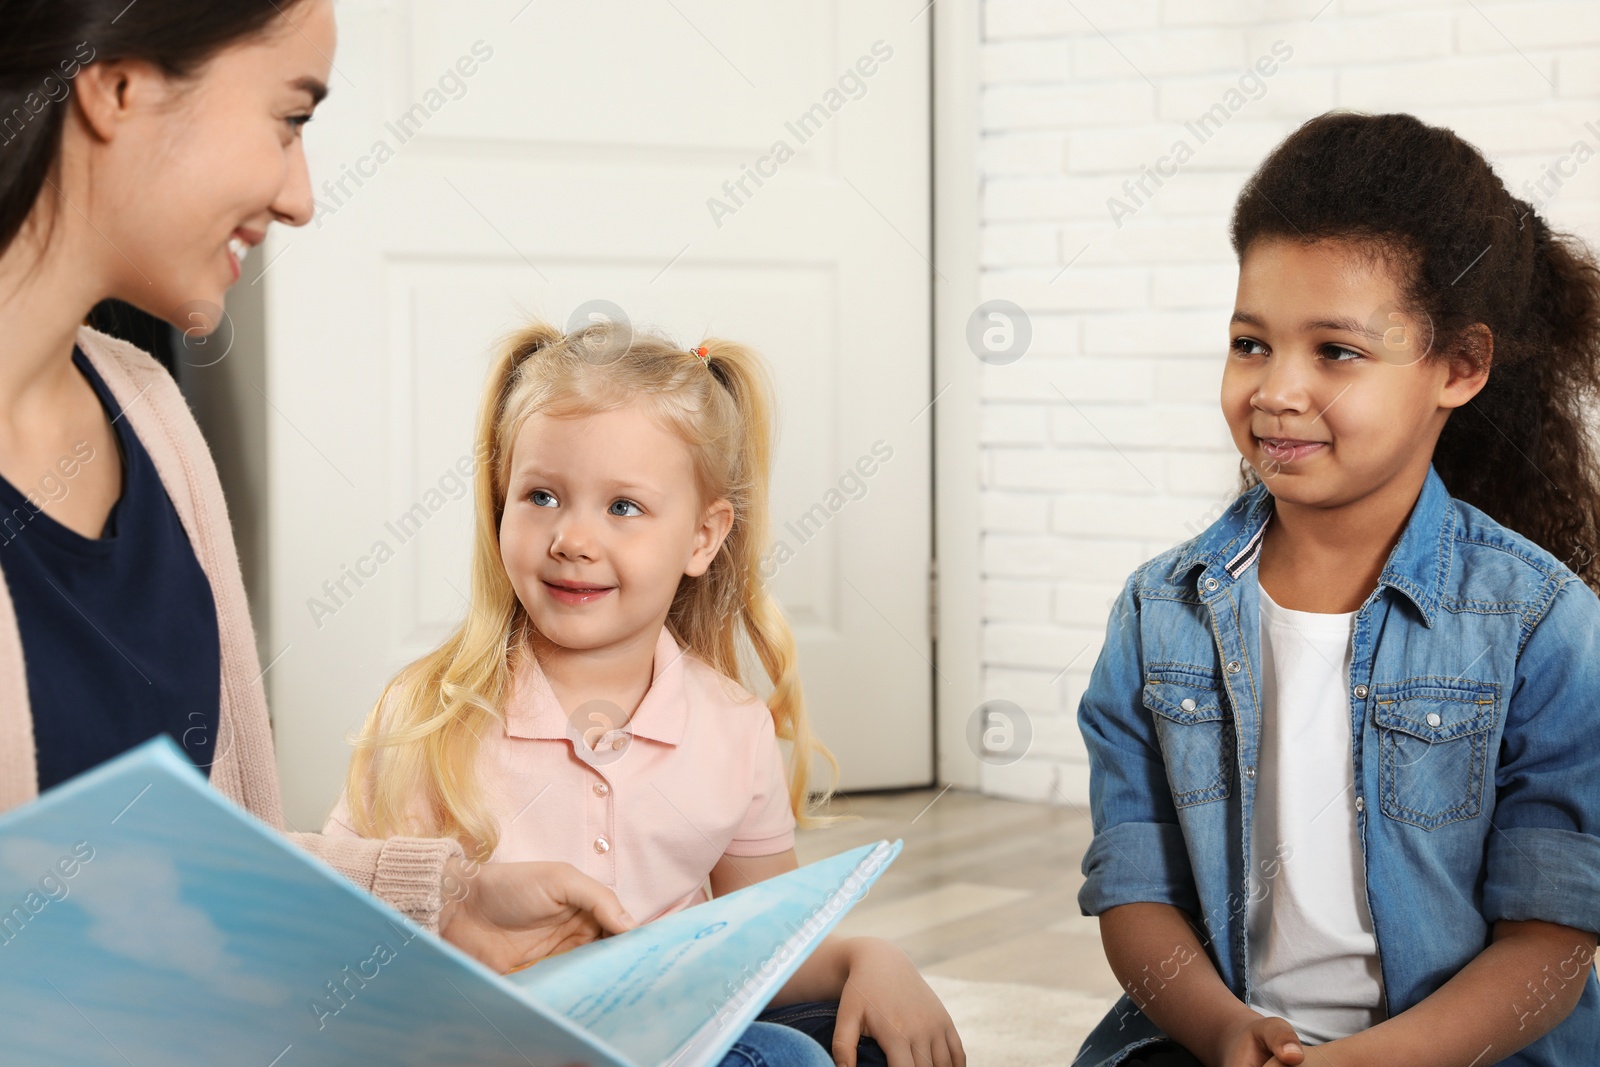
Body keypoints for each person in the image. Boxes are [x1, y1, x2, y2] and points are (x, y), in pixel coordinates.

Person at [0, 0, 633, 970]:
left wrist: (444, 902)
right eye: (289, 119)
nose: (300, 195)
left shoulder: (149, 411)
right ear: (117, 87)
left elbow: (172, 866)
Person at [1074, 111, 1600, 1067]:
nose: (1276, 390)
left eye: (1337, 352)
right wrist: (1226, 1028)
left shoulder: (1542, 625)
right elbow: (1135, 891)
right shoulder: (1159, 613)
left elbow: (1553, 944)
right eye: (1250, 343)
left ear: (1461, 366)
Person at [324, 319, 966, 1067]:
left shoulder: (732, 726)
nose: (572, 537)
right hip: (477, 1045)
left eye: (622, 506)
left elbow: (763, 949)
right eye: (540, 496)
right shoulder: (432, 715)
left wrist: (866, 958)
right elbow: (340, 924)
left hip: (666, 1040)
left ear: (702, 537)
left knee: (812, 1048)